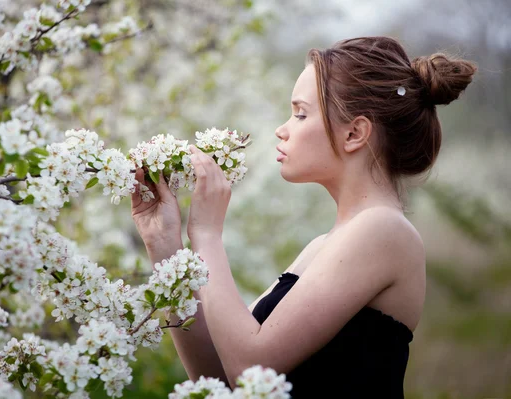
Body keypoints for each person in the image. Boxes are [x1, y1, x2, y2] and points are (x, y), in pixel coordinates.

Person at [130, 36, 477, 398]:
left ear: (355, 133)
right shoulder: (323, 247)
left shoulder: (383, 230)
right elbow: (219, 379)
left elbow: (249, 369)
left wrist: (207, 235)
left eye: (300, 113)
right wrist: (166, 245)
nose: (282, 129)